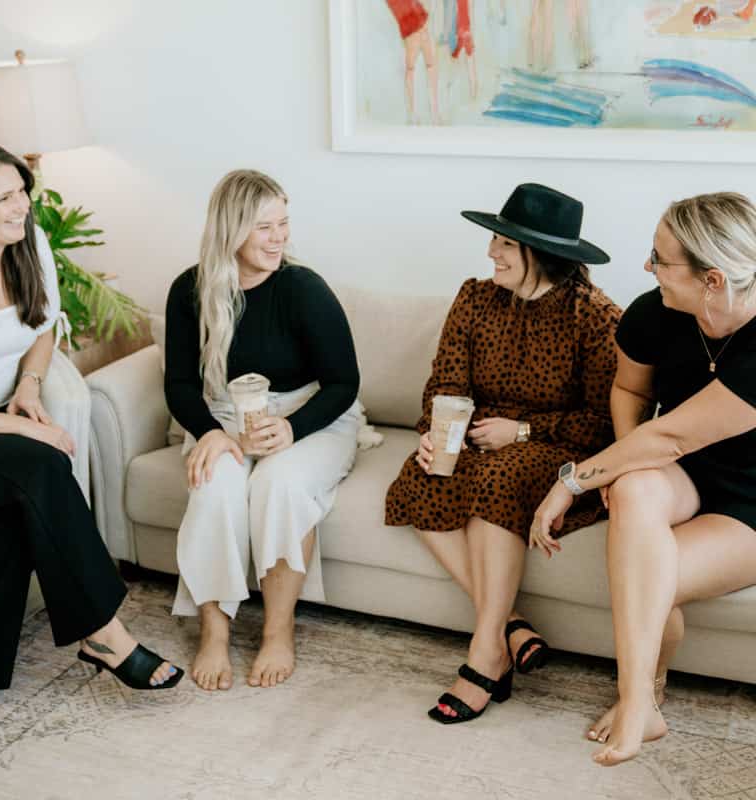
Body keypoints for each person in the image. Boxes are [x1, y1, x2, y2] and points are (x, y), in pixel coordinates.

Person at [0, 140, 183, 735]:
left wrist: (29, 387)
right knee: (40, 465)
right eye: (4, 198)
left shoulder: (26, 245)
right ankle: (105, 635)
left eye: (23, 194)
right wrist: (19, 425)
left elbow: (43, 325)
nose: (21, 208)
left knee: (10, 524)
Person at [532, 192, 756, 766]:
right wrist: (620, 465)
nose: (647, 268)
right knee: (632, 491)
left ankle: (640, 699)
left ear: (711, 279)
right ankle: (643, 704)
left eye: (660, 259)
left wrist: (572, 482)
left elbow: (672, 436)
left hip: (749, 502)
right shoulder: (653, 312)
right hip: (685, 473)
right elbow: (631, 392)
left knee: (648, 572)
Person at [385, 183, 621, 724]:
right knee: (418, 475)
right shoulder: (475, 298)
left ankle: (485, 653)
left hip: (555, 450)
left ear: (541, 254)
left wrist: (521, 431)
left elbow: (603, 423)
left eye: (504, 244)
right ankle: (511, 626)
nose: (491, 252)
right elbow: (444, 383)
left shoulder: (595, 317)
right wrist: (432, 434)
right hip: (473, 438)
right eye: (494, 240)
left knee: (497, 478)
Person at [165, 169, 360, 691]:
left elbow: (344, 383)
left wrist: (292, 430)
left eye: (283, 224)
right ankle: (214, 631)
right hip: (225, 416)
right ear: (231, 231)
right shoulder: (190, 290)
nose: (280, 239)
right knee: (213, 488)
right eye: (264, 228)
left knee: (279, 485)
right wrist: (209, 432)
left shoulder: (303, 288)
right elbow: (180, 383)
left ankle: (278, 631)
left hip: (311, 414)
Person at [386, 0, 441, 124]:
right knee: (427, 66)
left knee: (413, 69)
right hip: (416, 23)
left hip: (410, 26)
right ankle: (432, 113)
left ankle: (415, 113)